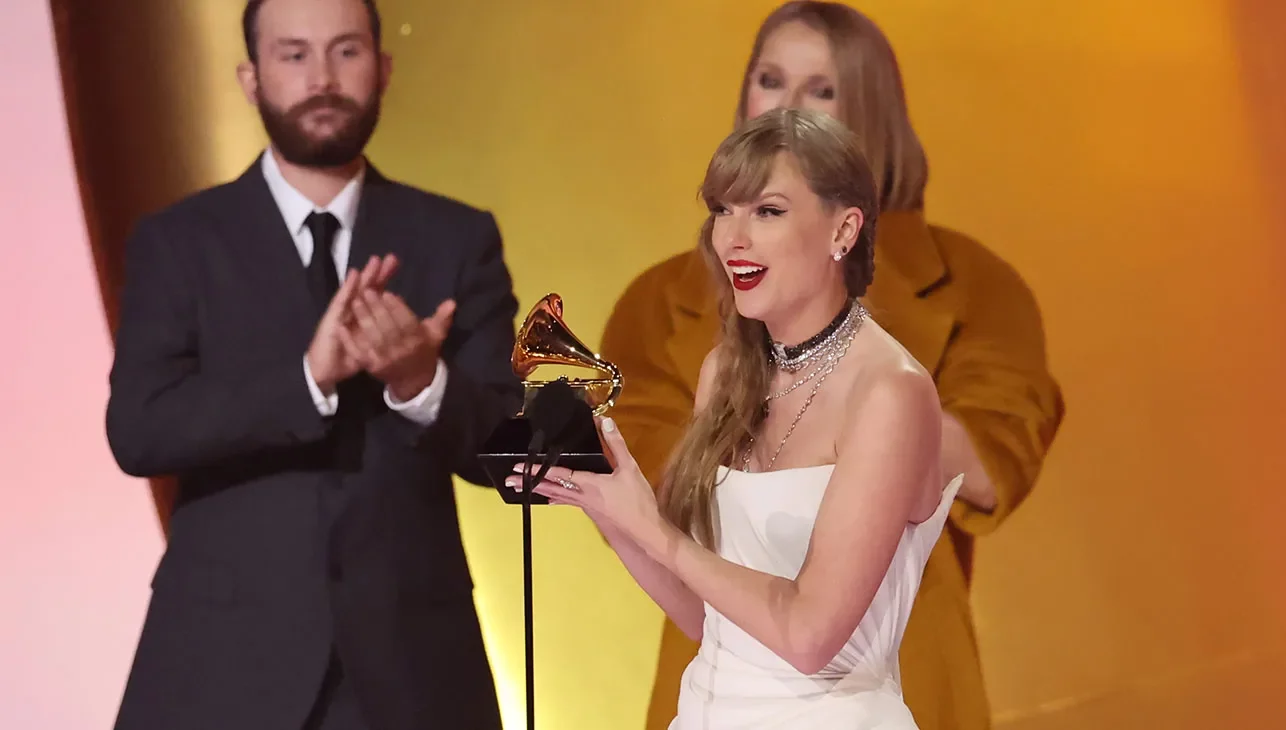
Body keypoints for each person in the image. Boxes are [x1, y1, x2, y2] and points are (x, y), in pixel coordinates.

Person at [600, 3, 1065, 730]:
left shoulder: (955, 309)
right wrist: (605, 502)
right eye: (771, 80)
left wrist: (845, 375)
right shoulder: (681, 326)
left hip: (881, 680)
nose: (789, 107)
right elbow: (687, 559)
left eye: (822, 90)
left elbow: (992, 460)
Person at [106, 0, 518, 728]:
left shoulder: (455, 237)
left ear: (383, 69)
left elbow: (513, 455)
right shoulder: (179, 242)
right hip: (219, 667)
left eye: (345, 52)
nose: (322, 78)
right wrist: (307, 379)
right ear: (250, 78)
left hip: (415, 672)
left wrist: (421, 382)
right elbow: (139, 430)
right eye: (294, 55)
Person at [513, 107, 961, 728]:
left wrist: (656, 531)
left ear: (844, 230)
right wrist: (607, 505)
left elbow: (808, 636)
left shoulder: (890, 393)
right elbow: (710, 621)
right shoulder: (725, 373)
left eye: (767, 211)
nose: (732, 238)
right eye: (723, 210)